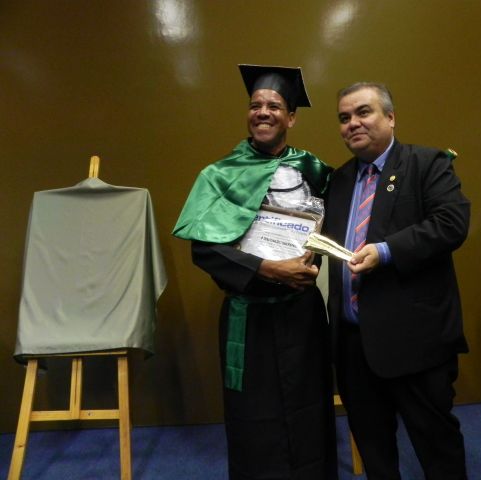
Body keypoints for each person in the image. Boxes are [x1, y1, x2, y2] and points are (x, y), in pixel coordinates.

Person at [173, 65, 337, 480]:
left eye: (274, 106)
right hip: (248, 318)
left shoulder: (314, 171)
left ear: (291, 117)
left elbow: (336, 227)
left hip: (302, 312)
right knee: (253, 417)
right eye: (255, 105)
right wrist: (267, 268)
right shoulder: (219, 175)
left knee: (309, 406)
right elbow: (205, 250)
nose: (263, 112)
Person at [323, 82, 470, 479]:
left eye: (363, 112)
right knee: (374, 452)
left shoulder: (427, 164)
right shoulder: (339, 181)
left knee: (437, 450)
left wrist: (386, 251)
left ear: (390, 117)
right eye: (344, 117)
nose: (353, 123)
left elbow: (451, 224)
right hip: (353, 346)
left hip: (415, 341)